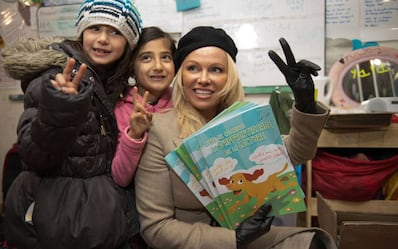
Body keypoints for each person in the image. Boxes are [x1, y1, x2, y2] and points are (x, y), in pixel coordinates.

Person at [134, 26, 337, 249]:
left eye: (216, 70)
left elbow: (298, 152)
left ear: (229, 76)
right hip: (196, 243)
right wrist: (234, 240)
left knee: (314, 243)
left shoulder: (243, 122)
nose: (203, 79)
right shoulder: (159, 130)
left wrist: (305, 103)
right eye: (193, 68)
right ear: (181, 74)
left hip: (250, 236)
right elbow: (156, 228)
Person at [0, 0, 142, 248]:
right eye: (95, 29)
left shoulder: (115, 85)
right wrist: (60, 107)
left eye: (115, 32)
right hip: (56, 222)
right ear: (81, 32)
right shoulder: (57, 75)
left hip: (96, 222)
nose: (103, 39)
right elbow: (34, 155)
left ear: (128, 43)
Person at [112, 26, 176, 187]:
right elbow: (120, 178)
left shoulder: (183, 102)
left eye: (166, 57)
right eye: (146, 58)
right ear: (132, 68)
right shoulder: (121, 110)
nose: (158, 66)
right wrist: (134, 134)